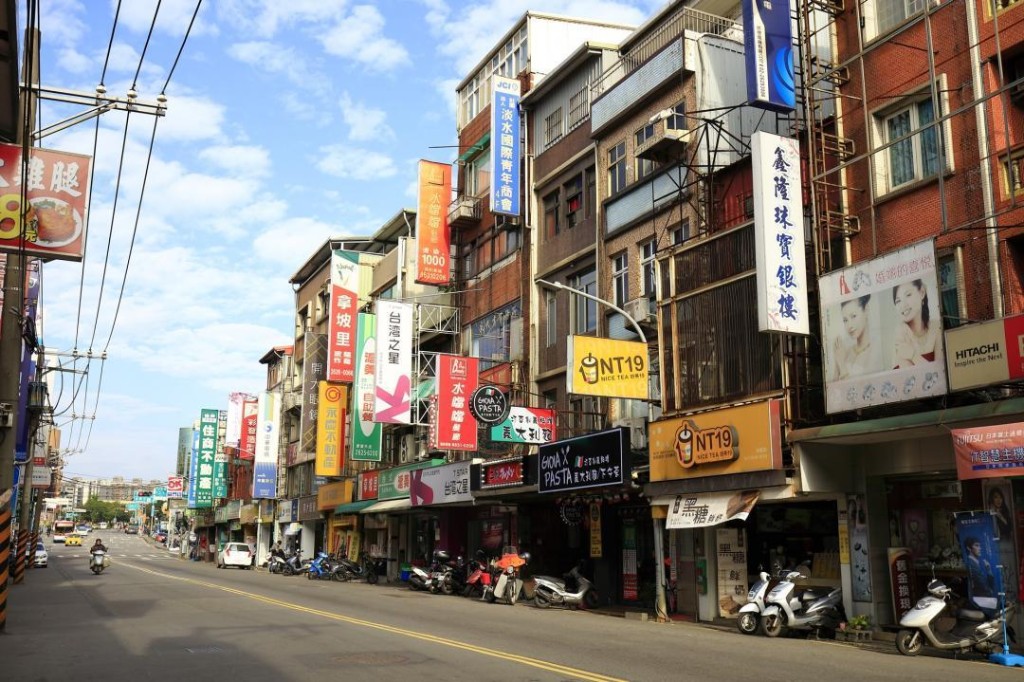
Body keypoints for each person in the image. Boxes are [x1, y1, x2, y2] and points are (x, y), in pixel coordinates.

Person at [892, 279, 941, 368]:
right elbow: (911, 376)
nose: (903, 305)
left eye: (908, 295)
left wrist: (912, 354)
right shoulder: (900, 334)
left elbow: (939, 373)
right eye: (898, 301)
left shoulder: (936, 327)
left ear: (922, 292)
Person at [831, 295, 881, 380]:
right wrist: (837, 361)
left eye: (853, 316)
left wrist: (842, 364)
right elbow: (833, 386)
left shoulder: (875, 351)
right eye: (845, 320)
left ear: (866, 310)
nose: (849, 326)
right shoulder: (846, 351)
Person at [964, 536, 995, 601]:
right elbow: (984, 587)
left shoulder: (975, 563)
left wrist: (988, 569)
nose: (980, 548)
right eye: (976, 545)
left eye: (979, 546)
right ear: (969, 548)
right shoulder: (971, 565)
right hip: (981, 599)